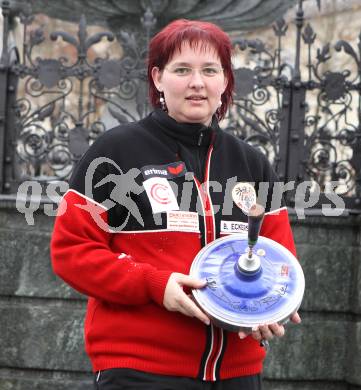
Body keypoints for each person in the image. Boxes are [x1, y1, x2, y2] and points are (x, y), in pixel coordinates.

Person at [51, 18, 301, 390]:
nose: (197, 82)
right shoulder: (115, 153)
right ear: (157, 79)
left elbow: (279, 261)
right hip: (141, 371)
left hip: (238, 373)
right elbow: (72, 251)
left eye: (209, 70)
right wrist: (154, 283)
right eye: (182, 69)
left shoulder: (252, 163)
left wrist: (272, 305)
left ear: (225, 81)